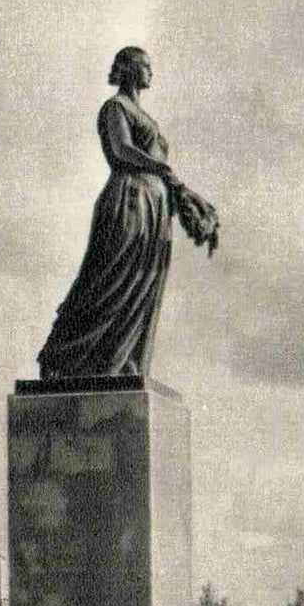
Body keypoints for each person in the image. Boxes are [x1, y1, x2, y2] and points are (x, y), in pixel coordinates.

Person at [37, 46, 202, 378]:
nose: (151, 72)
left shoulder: (143, 114)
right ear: (128, 69)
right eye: (146, 66)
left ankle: (121, 359)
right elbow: (121, 148)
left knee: (142, 285)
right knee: (109, 281)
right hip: (128, 200)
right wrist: (161, 167)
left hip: (154, 209)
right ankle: (64, 357)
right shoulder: (115, 107)